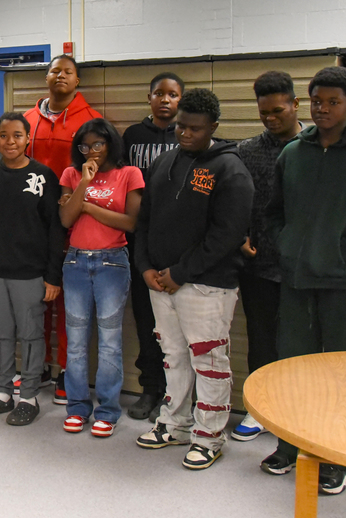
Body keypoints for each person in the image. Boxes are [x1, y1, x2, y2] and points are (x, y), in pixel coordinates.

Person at [261, 66, 346, 494]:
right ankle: (289, 446)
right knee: (293, 369)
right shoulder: (293, 154)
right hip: (296, 282)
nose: (322, 109)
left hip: (344, 285)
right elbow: (274, 213)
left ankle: (338, 458)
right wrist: (288, 245)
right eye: (317, 101)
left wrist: (341, 251)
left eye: (333, 102)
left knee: (343, 376)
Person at [133, 89, 253, 470]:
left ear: (213, 127)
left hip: (207, 285)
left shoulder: (231, 170)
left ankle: (209, 436)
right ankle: (176, 423)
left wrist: (180, 273)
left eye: (194, 128)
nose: (184, 133)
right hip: (160, 282)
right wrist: (145, 266)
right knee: (173, 357)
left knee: (209, 361)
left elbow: (226, 235)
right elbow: (145, 220)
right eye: (180, 126)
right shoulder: (164, 161)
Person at [0, 112, 64, 425]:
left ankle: (29, 397)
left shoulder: (43, 176)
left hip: (30, 274)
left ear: (27, 138)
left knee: (31, 336)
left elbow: (55, 230)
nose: (10, 142)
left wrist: (53, 276)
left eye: (17, 135)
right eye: (4, 135)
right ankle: (2, 392)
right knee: (0, 334)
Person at [24, 54, 103, 404]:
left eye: (68, 72)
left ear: (77, 81)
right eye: (54, 70)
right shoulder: (27, 120)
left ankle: (67, 373)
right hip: (33, 224)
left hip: (74, 222)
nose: (60, 76)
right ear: (46, 77)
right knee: (36, 298)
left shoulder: (92, 120)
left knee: (70, 304)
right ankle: (38, 365)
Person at [58, 118, 143, 438]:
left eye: (98, 144)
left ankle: (107, 411)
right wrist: (84, 182)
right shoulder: (71, 174)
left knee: (109, 342)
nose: (91, 151)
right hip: (75, 261)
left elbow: (130, 222)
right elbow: (66, 218)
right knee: (76, 341)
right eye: (84, 146)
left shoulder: (129, 174)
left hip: (112, 263)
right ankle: (77, 407)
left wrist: (88, 208)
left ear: (110, 144)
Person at [231, 71, 303, 441]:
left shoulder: (316, 147)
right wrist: (240, 236)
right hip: (258, 265)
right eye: (264, 113)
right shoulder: (246, 151)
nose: (271, 118)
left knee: (300, 343)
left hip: (303, 267)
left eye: (278, 111)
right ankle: (260, 408)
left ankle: (296, 412)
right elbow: (235, 203)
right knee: (260, 339)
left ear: (295, 105)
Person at [121, 72, 184, 421]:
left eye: (172, 94)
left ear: (180, 100)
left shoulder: (187, 135)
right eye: (159, 93)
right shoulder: (133, 136)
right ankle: (150, 388)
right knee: (146, 321)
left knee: (178, 327)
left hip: (177, 243)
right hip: (139, 240)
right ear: (149, 98)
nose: (165, 100)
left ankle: (177, 393)